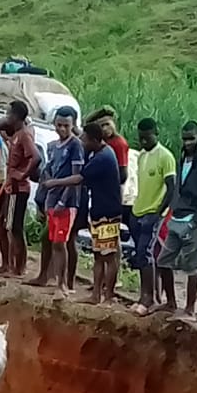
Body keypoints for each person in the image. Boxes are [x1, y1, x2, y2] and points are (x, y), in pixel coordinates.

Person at [157, 121, 197, 320]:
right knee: (163, 260)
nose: (188, 142)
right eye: (185, 139)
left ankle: (189, 308)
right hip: (177, 216)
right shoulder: (182, 160)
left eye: (191, 138)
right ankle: (171, 302)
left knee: (192, 266)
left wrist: (195, 223)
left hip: (194, 220)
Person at [31, 107, 85, 293]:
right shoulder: (53, 146)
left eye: (66, 126)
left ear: (73, 126)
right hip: (52, 201)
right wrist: (43, 201)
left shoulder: (75, 146)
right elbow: (46, 174)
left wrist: (63, 201)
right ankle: (47, 277)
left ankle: (62, 283)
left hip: (67, 202)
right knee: (51, 239)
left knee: (61, 242)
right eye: (59, 125)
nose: (62, 129)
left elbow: (76, 178)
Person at [130, 119, 178, 315]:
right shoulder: (141, 156)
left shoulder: (165, 157)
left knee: (146, 252)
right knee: (141, 256)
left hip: (153, 212)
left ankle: (148, 299)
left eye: (147, 137)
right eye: (140, 137)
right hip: (138, 210)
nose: (143, 141)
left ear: (156, 134)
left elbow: (172, 188)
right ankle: (146, 295)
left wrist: (159, 212)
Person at [79, 119, 125, 306]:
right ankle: (97, 295)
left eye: (85, 140)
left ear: (94, 140)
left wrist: (54, 183)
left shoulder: (102, 157)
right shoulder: (102, 153)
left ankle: (108, 296)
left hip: (107, 212)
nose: (82, 143)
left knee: (108, 255)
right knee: (99, 254)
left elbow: (80, 177)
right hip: (100, 210)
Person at [0, 100, 39, 278]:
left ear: (16, 116)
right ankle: (11, 265)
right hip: (12, 188)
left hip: (18, 188)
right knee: (9, 225)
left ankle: (18, 267)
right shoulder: (16, 135)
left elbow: (36, 157)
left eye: (9, 114)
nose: (7, 117)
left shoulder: (23, 136)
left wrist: (22, 174)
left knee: (14, 227)